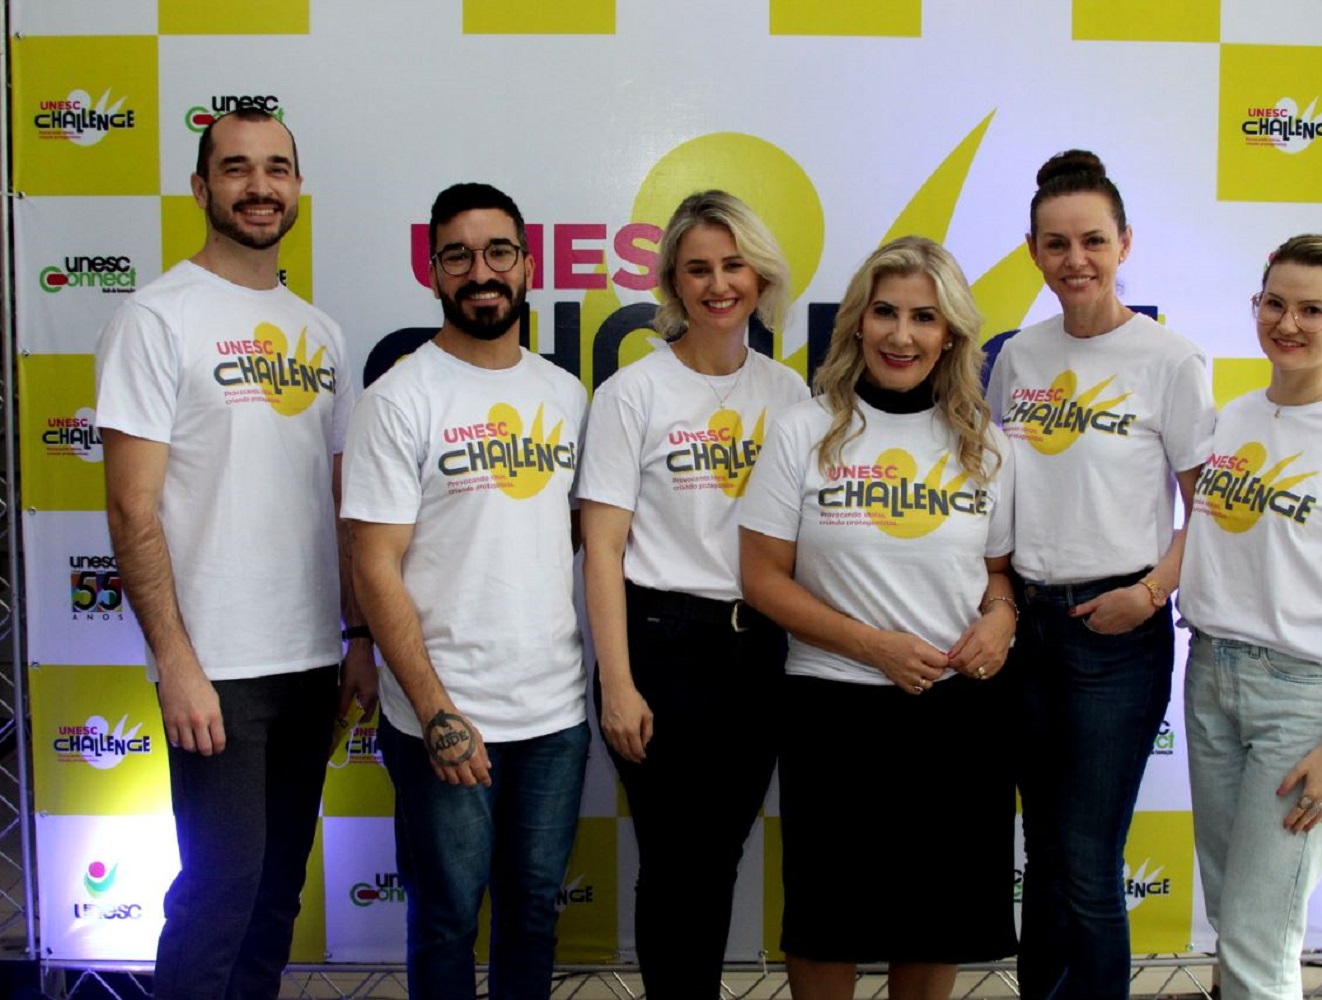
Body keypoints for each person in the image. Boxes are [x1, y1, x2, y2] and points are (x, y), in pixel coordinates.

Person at [95, 108, 376, 1000]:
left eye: (276, 168)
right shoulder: (157, 317)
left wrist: (357, 637)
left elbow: (341, 506)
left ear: (297, 187)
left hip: (310, 661)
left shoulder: (321, 333)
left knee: (275, 895)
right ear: (201, 187)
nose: (260, 186)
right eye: (237, 168)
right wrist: (175, 662)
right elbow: (130, 508)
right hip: (216, 667)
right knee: (218, 895)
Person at [741, 236, 1018, 1000]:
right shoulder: (805, 430)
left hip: (955, 716)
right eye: (885, 312)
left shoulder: (985, 445)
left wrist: (1002, 619)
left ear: (950, 333)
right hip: (833, 710)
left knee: (936, 924)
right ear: (858, 322)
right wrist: (871, 647)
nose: (902, 334)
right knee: (827, 923)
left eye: (924, 317)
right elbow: (760, 579)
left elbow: (997, 575)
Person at [342, 183, 590, 1000]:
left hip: (553, 713)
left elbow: (573, 539)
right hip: (443, 712)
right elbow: (373, 565)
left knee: (533, 914)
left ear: (528, 265)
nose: (481, 273)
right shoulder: (398, 399)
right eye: (458, 256)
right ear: (433, 272)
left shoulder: (566, 395)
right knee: (446, 920)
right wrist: (435, 712)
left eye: (498, 253)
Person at [984, 149, 1216, 999]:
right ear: (1033, 251)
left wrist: (1151, 594)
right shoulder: (1019, 356)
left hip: (1116, 636)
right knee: (1045, 856)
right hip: (1029, 633)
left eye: (1092, 240)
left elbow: (1209, 508)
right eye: (1056, 243)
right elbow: (998, 491)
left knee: (1087, 863)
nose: (1074, 259)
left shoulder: (1169, 360)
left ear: (1125, 244)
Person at [576, 189, 807, 997]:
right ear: (673, 282)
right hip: (660, 644)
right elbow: (602, 550)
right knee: (675, 860)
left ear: (760, 277)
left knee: (719, 856)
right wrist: (618, 683)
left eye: (733, 265)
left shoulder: (790, 395)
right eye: (698, 268)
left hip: (759, 648)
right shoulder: (630, 394)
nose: (718, 285)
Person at [1179, 234, 1322, 999]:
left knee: (1258, 937)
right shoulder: (1231, 419)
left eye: (1312, 310)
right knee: (1236, 919)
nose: (1288, 323)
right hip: (1211, 678)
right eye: (1274, 303)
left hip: (1301, 702)